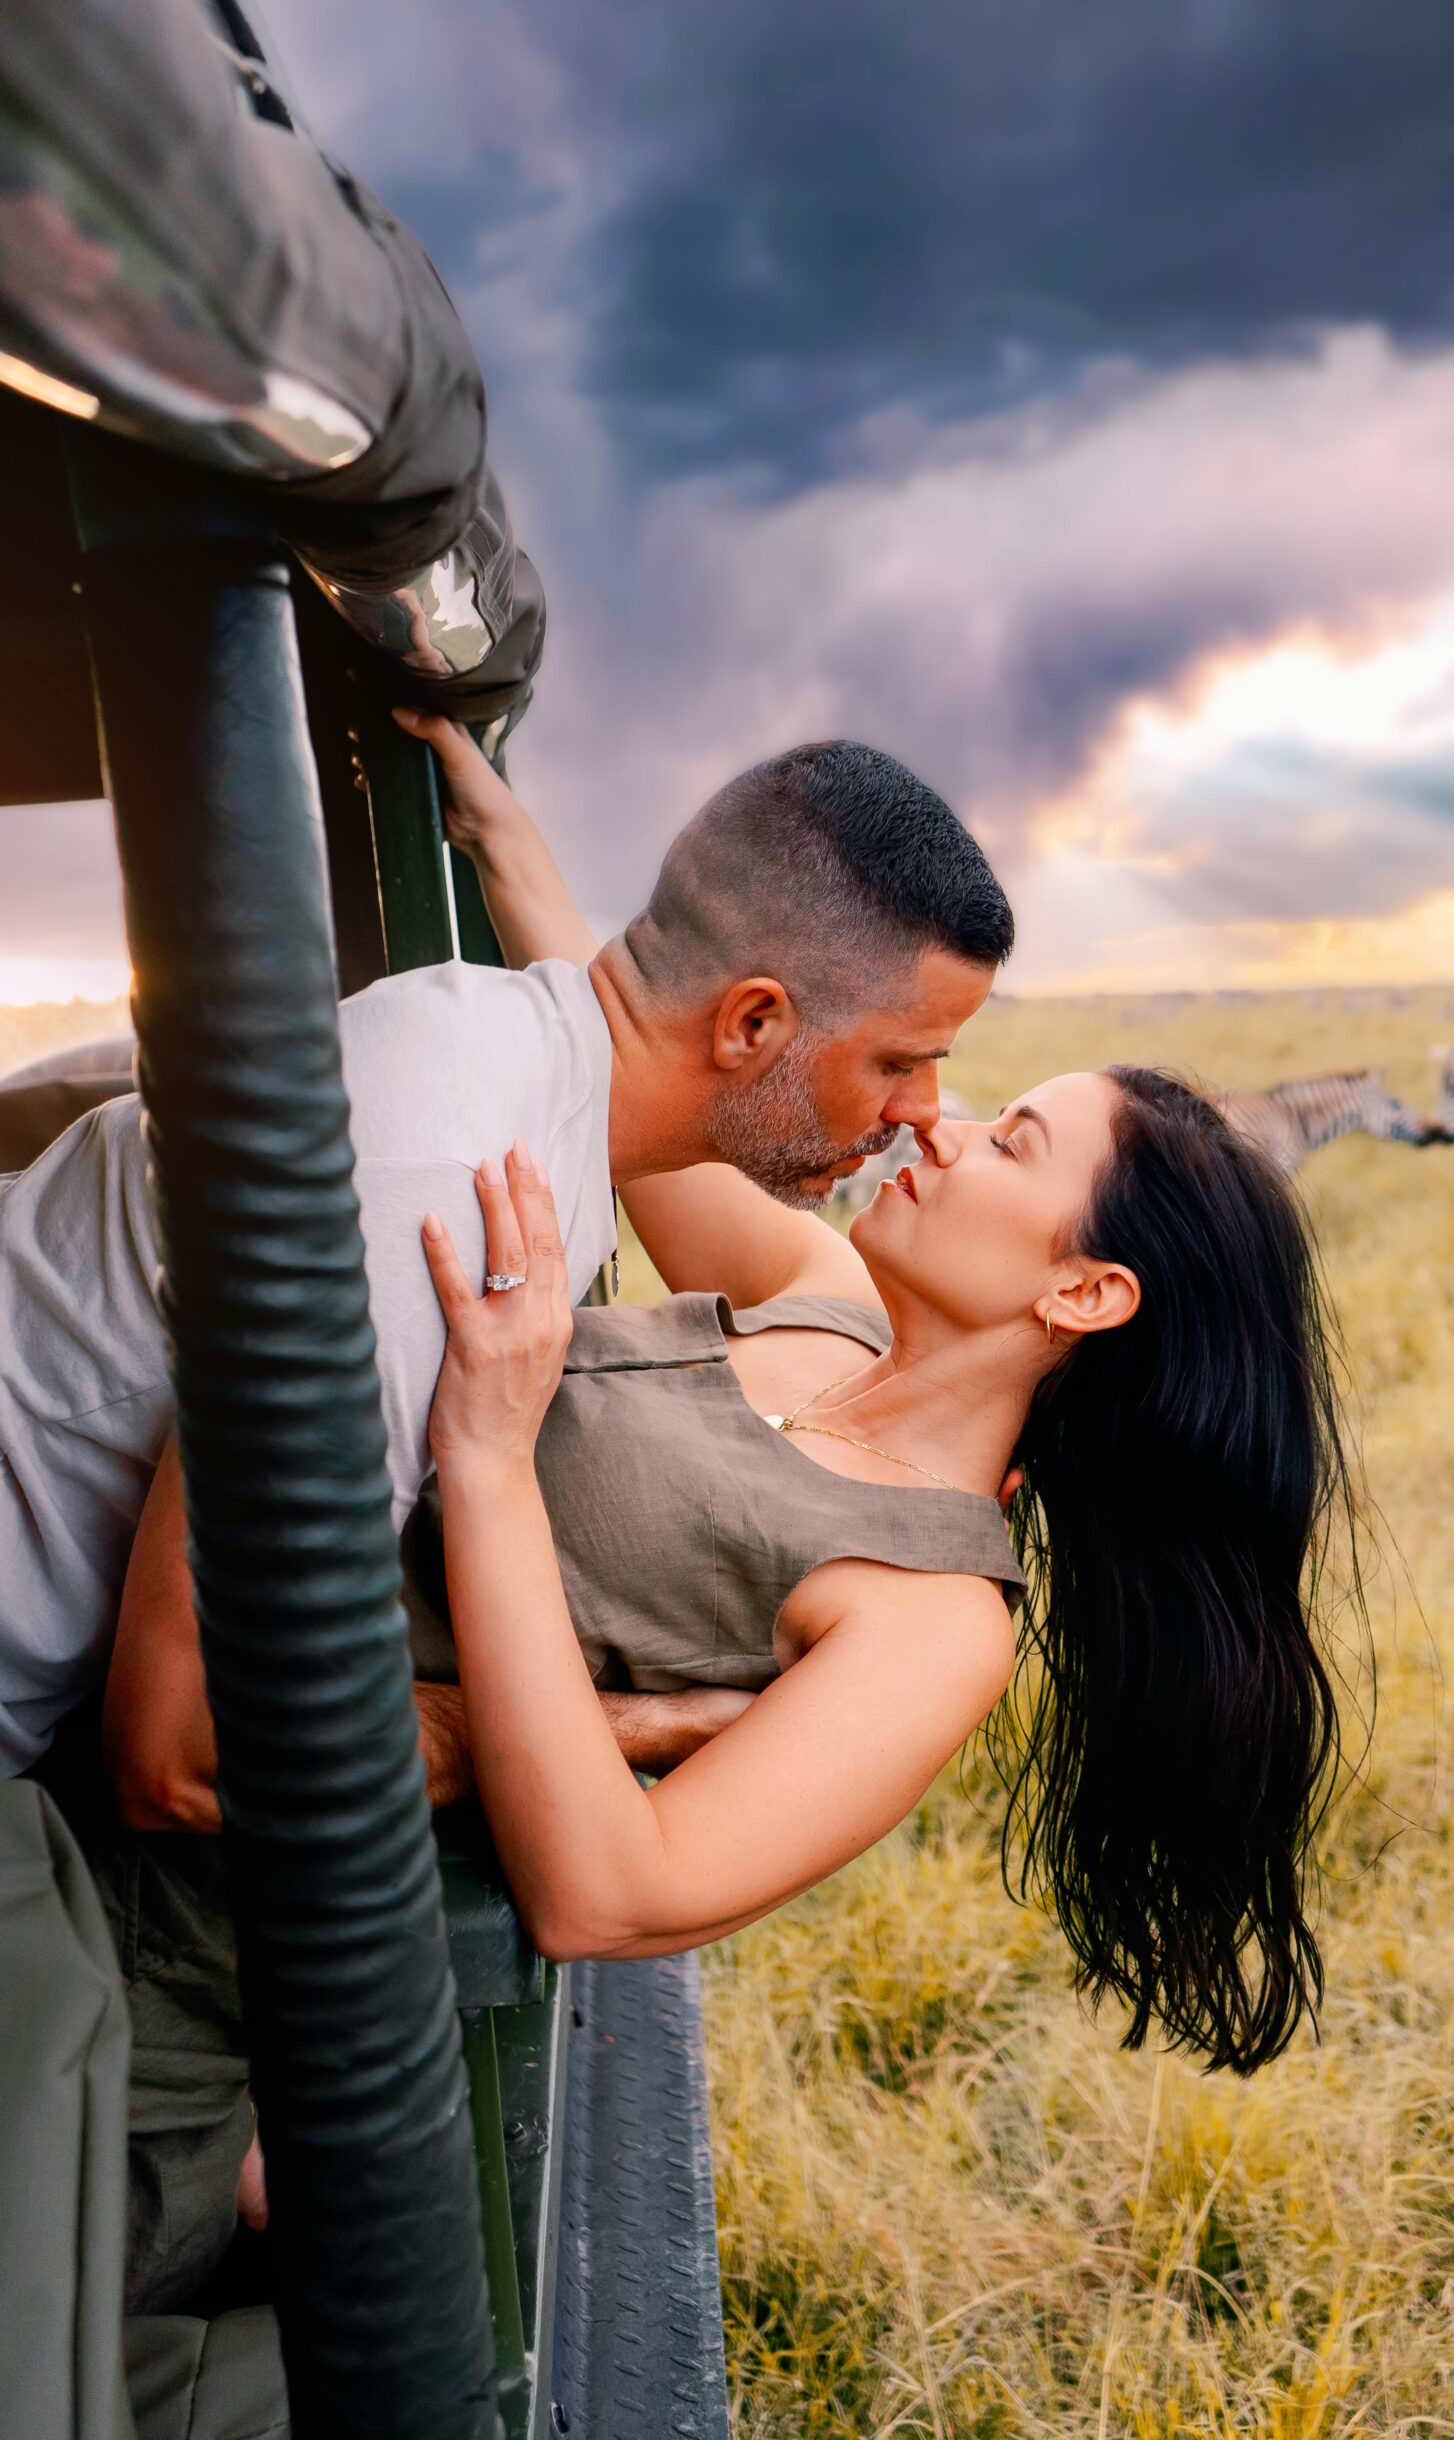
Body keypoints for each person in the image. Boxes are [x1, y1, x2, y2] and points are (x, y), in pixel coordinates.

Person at [97, 742, 1363, 2313]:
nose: (936, 1129)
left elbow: (607, 1893)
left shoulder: (930, 1619)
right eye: (945, 1091)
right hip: (123, 1729)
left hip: (195, 1973)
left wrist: (488, 1466)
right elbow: (674, 1064)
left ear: (1081, 1291)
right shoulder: (822, 1311)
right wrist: (513, 845)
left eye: (1010, 1144)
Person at [0, 733, 1012, 1779]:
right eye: (900, 1061)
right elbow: (182, 1745)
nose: (921, 1112)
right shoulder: (442, 1197)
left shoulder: (519, 1068)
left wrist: (499, 830)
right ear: (752, 1020)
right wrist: (638, 1726)